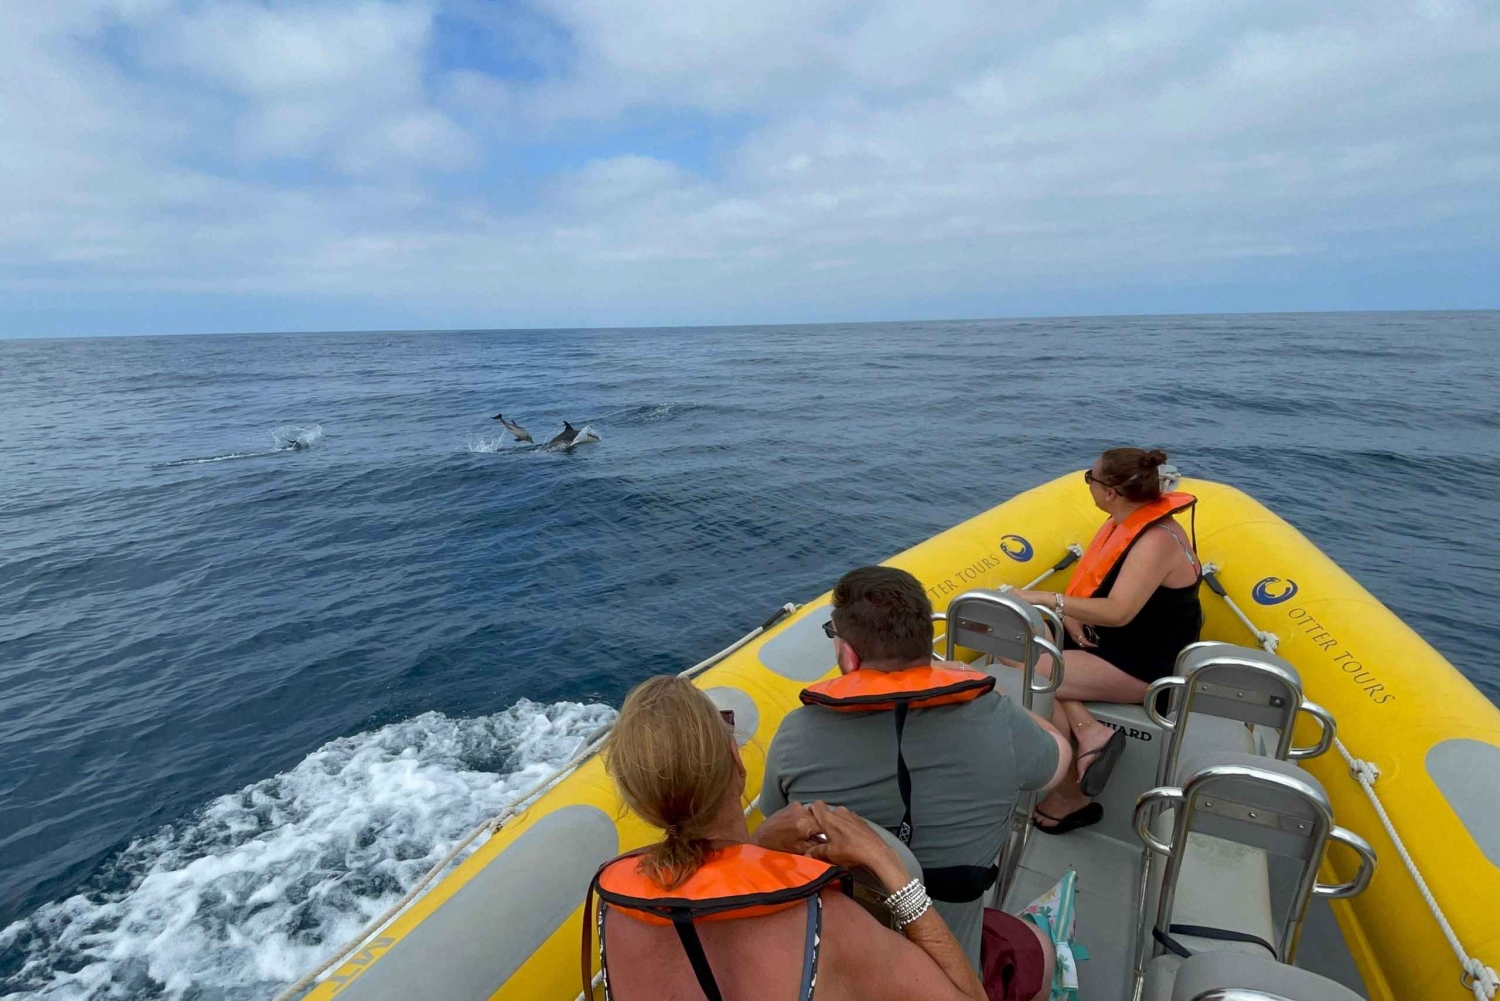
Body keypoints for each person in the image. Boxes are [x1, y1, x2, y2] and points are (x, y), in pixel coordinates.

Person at [760, 566, 1069, 992]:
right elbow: (1057, 763)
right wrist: (991, 696)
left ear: (849, 655)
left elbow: (777, 826)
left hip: (839, 971)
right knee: (1039, 948)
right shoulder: (997, 720)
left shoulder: (795, 734)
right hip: (949, 974)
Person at [586, 674, 987, 1001]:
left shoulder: (615, 912)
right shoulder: (826, 923)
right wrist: (886, 864)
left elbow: (709, 896)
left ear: (639, 800)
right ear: (735, 760)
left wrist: (755, 849)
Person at [1009, 446, 1202, 834]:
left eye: (1090, 478)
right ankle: (1088, 729)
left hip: (1144, 662)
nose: (1089, 484)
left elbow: (1119, 612)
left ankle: (1071, 796)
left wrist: (1048, 599)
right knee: (1018, 634)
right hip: (1110, 641)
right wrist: (1072, 615)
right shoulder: (1126, 520)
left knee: (1028, 666)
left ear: (1111, 492)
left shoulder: (1156, 540)